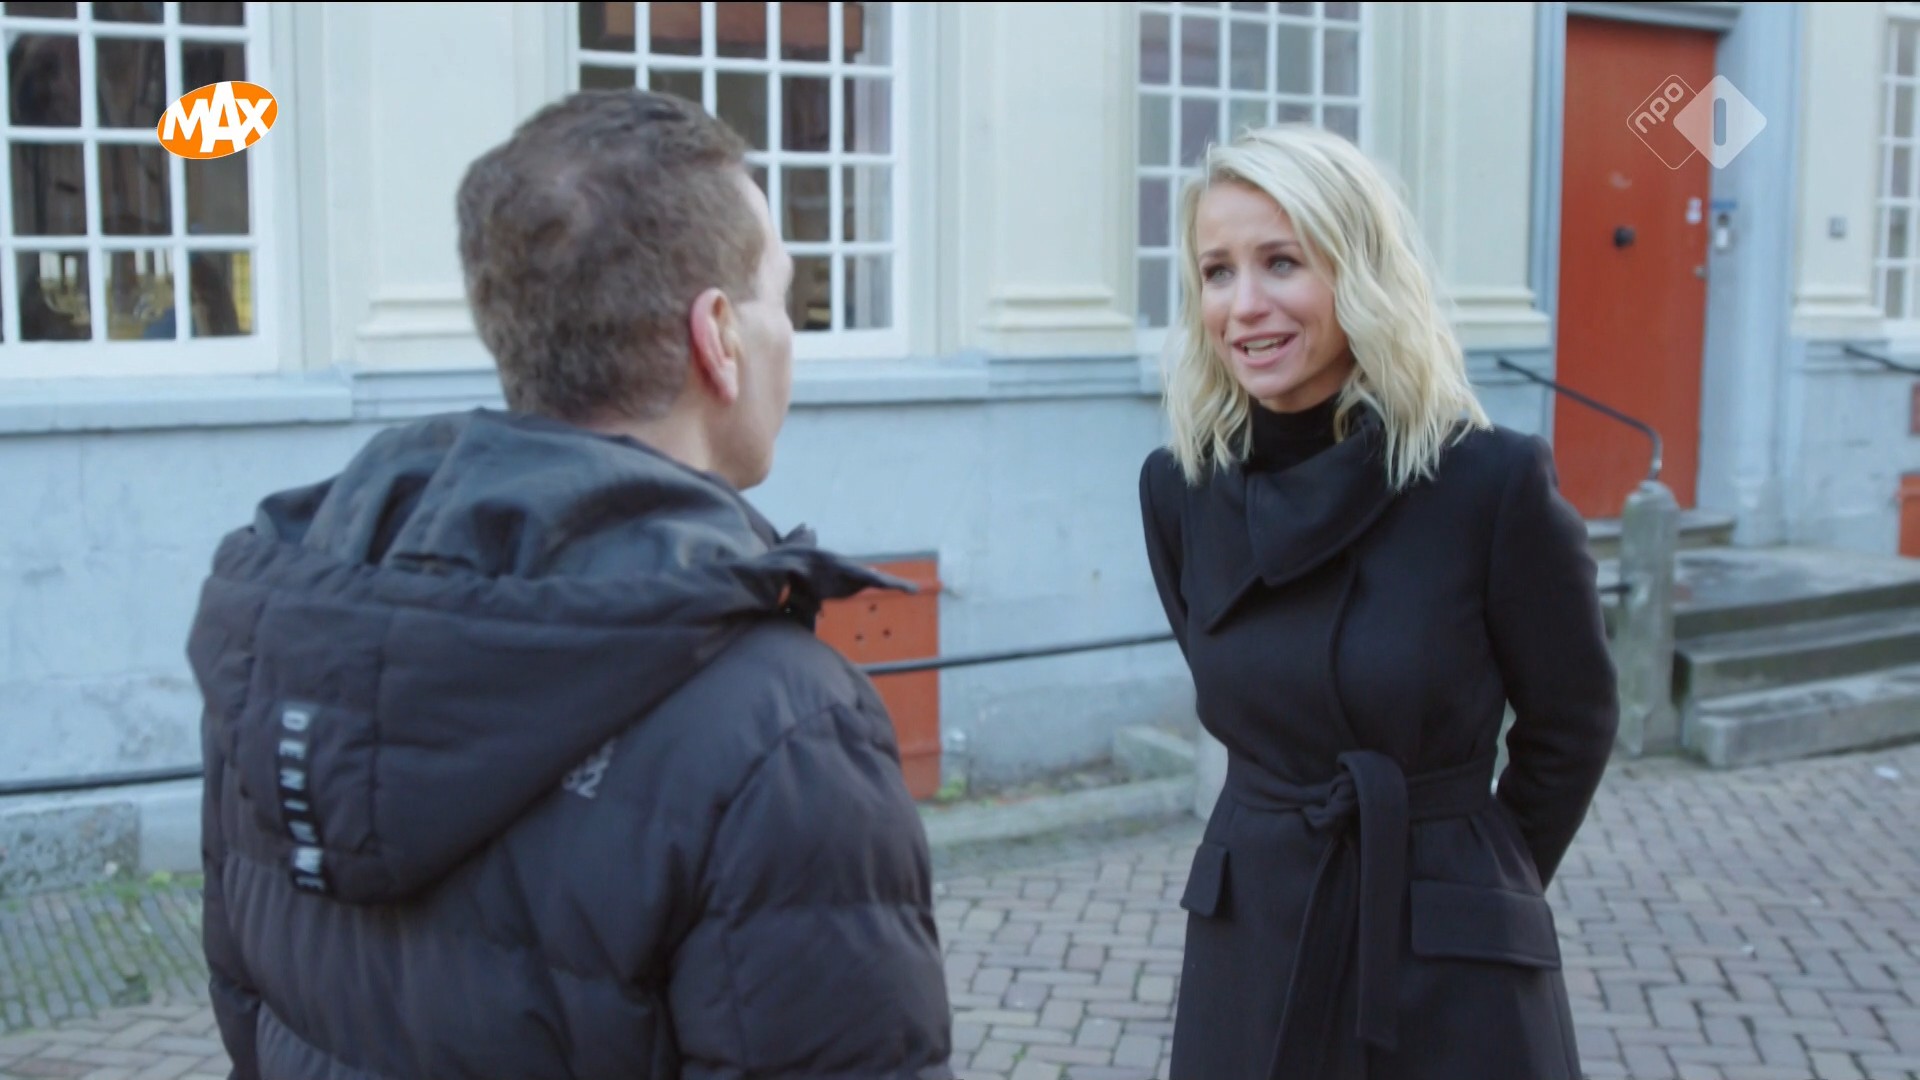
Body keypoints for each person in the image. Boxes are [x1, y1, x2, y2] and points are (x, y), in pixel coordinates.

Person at [185, 89, 954, 1079]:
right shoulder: (785, 736)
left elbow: (249, 1015)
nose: (791, 338)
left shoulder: (291, 646)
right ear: (719, 336)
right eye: (784, 297)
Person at [1138, 124, 1620, 1079]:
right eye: (1217, 272)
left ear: (1359, 271)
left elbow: (1573, 721)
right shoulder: (1180, 491)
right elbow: (1237, 685)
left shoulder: (1489, 483)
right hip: (1252, 938)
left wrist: (1473, 882)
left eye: (1282, 262)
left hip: (1448, 953)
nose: (1245, 305)